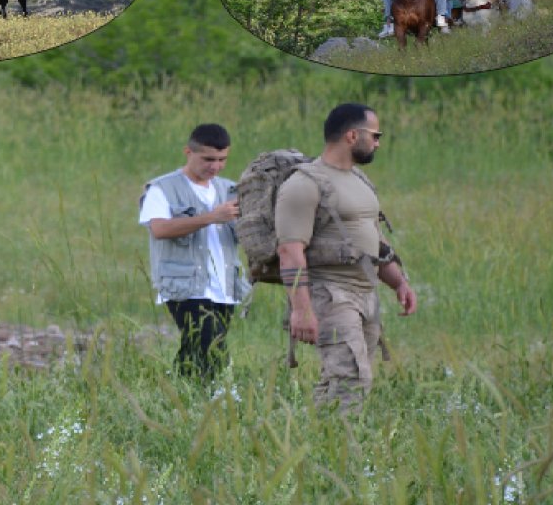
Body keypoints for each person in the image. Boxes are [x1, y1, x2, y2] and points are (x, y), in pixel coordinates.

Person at [274, 104, 416, 412]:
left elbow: (374, 239)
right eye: (375, 135)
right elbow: (290, 251)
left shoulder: (360, 181)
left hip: (365, 292)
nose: (378, 142)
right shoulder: (304, 185)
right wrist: (301, 310)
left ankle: (320, 442)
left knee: (347, 377)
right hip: (330, 293)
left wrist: (398, 283)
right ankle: (343, 452)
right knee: (350, 377)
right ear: (353, 135)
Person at [139, 124, 252, 381]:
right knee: (209, 344)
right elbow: (160, 229)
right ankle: (214, 395)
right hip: (184, 285)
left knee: (199, 347)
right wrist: (212, 217)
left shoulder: (230, 190)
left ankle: (182, 396)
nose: (215, 167)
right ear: (188, 152)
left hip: (225, 284)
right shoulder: (162, 189)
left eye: (222, 160)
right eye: (208, 159)